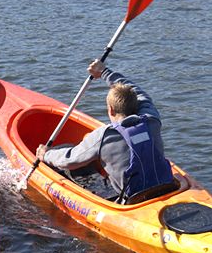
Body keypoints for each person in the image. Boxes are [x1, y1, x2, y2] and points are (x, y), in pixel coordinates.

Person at [36, 60, 174, 201]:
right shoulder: (152, 119)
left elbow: (70, 160)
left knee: (76, 161)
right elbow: (137, 90)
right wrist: (104, 72)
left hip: (134, 199)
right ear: (136, 104)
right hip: (167, 186)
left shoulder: (104, 135)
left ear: (111, 110)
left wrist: (46, 154)